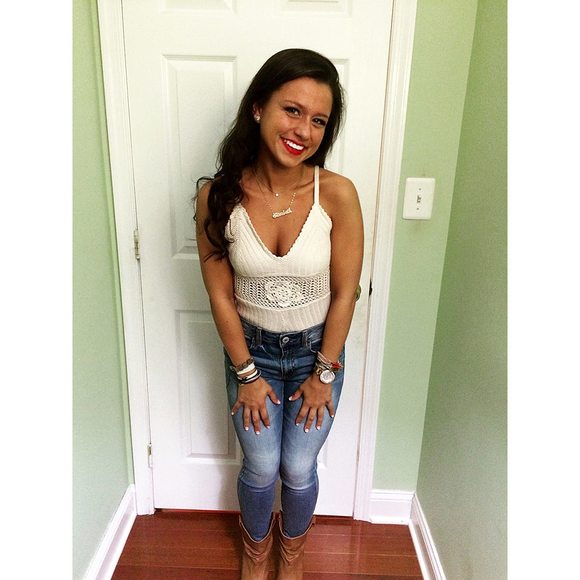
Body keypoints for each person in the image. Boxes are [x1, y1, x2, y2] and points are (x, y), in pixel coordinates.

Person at [195, 48, 363, 580]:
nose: (304, 131)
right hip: (251, 353)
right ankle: (255, 553)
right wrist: (246, 375)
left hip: (318, 352)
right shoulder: (217, 196)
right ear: (258, 108)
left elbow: (346, 293)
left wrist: (324, 373)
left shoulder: (337, 194)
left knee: (298, 466)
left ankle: (291, 557)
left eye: (319, 120)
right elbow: (220, 296)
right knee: (262, 465)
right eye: (292, 110)